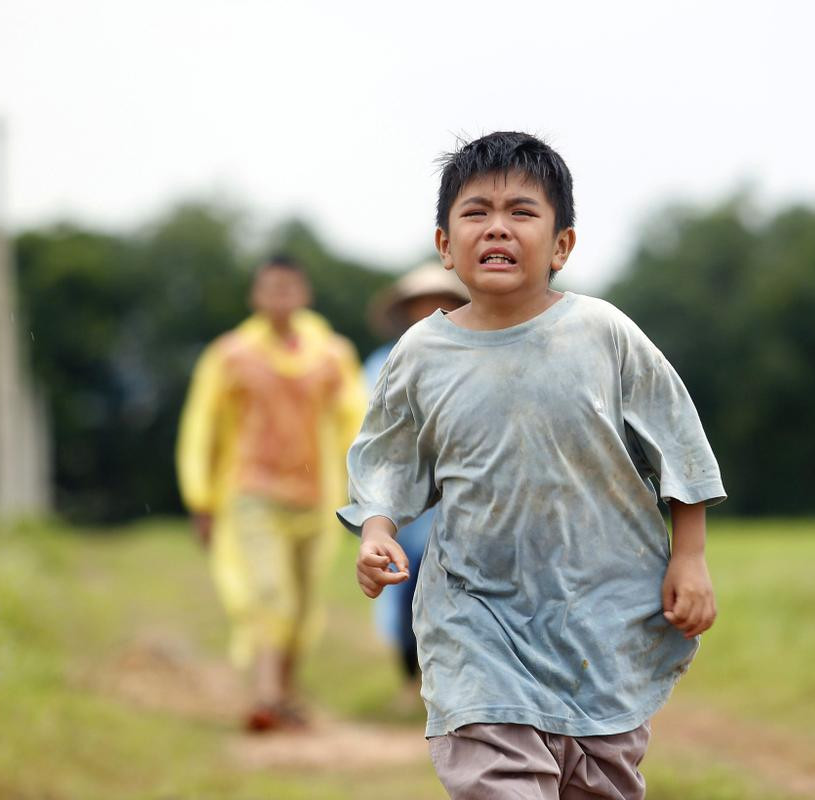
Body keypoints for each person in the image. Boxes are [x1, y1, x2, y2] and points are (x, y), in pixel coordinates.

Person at [340, 132, 725, 799]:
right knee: (501, 784)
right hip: (474, 617)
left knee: (599, 784)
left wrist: (689, 556)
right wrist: (376, 532)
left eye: (522, 212)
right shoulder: (422, 354)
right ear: (443, 243)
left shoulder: (603, 334)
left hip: (599, 614)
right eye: (476, 211)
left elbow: (679, 446)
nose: (497, 227)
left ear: (562, 245)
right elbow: (388, 458)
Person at [176, 254, 365, 732]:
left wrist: (364, 488)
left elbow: (356, 422)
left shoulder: (332, 355)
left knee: (302, 606)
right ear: (255, 296)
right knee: (270, 594)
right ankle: (264, 697)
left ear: (304, 295)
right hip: (252, 493)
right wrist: (201, 497)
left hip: (314, 497)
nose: (280, 297)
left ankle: (285, 695)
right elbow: (202, 425)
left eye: (289, 287)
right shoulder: (231, 354)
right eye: (270, 288)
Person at [363, 262, 469, 695]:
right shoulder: (383, 364)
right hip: (407, 491)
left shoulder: (477, 356)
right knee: (410, 575)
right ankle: (414, 672)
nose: (430, 311)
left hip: (463, 489)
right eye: (421, 304)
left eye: (440, 303)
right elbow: (374, 432)